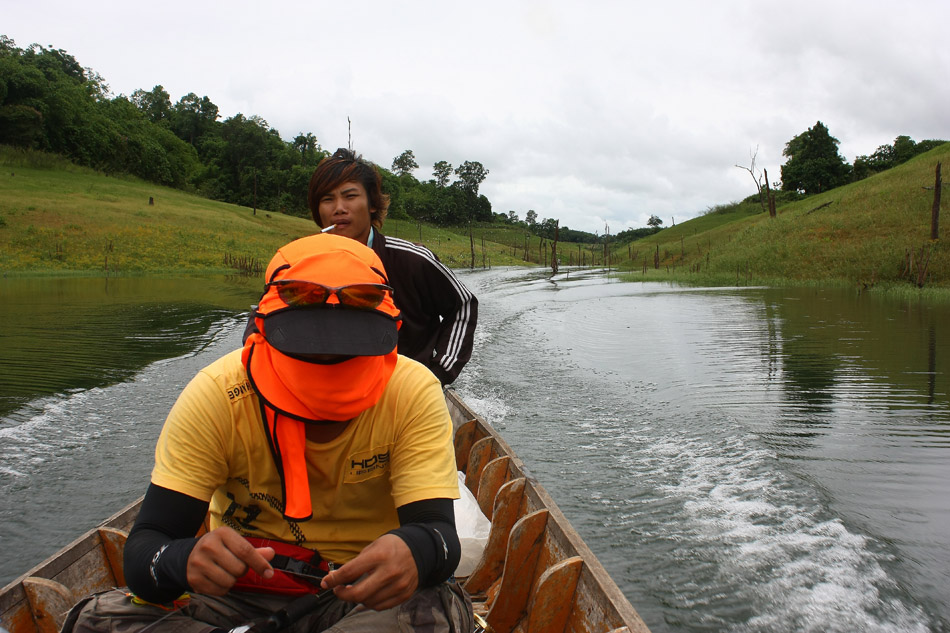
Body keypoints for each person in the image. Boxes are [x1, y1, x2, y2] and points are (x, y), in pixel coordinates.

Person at [65, 233, 474, 633]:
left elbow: (440, 536)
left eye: (347, 356)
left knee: (430, 604)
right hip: (235, 594)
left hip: (362, 594)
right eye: (306, 353)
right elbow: (145, 550)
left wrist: (416, 551)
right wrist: (180, 558)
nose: (326, 371)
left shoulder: (412, 389)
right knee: (99, 619)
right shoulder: (218, 394)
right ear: (260, 331)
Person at [308, 148, 478, 386]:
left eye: (350, 196)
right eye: (327, 199)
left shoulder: (412, 260)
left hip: (407, 394)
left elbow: (464, 304)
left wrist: (438, 373)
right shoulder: (304, 268)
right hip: (336, 392)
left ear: (372, 205)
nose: (339, 208)